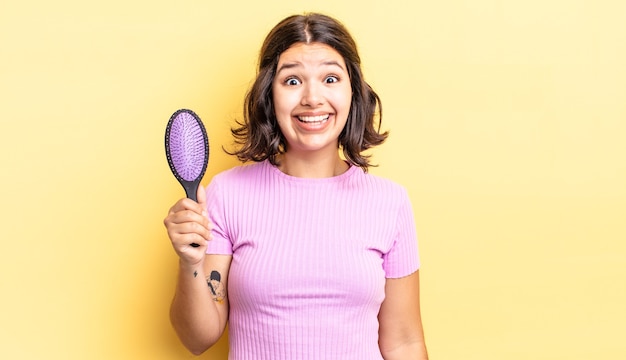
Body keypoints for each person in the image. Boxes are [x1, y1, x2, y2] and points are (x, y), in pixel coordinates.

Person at [164, 13, 428, 360]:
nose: (312, 98)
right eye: (292, 81)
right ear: (268, 94)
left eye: (330, 78)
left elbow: (404, 342)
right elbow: (198, 339)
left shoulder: (390, 202)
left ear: (353, 90)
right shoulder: (226, 194)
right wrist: (189, 263)